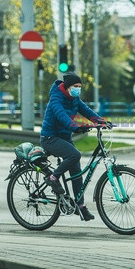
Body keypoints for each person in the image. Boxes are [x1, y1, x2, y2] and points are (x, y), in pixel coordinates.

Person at [40, 72, 104, 221]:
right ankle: (52, 177)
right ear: (67, 87)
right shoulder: (56, 98)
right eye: (76, 86)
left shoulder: (74, 98)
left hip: (64, 138)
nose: (78, 89)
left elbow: (86, 111)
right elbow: (61, 115)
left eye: (80, 87)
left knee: (76, 172)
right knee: (75, 155)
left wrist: (101, 121)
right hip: (50, 138)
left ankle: (80, 207)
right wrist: (75, 126)